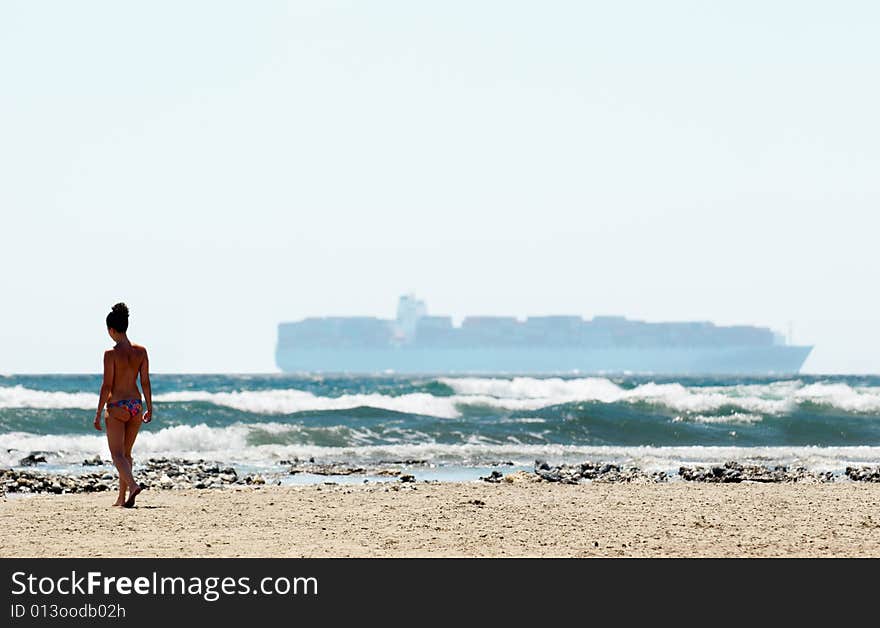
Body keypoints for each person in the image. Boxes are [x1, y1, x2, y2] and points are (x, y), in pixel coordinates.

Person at [93, 303, 153, 507]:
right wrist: (150, 407)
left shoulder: (110, 354)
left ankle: (133, 486)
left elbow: (107, 385)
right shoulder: (141, 351)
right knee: (126, 455)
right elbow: (145, 382)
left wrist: (98, 412)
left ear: (111, 330)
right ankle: (122, 498)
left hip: (117, 406)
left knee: (117, 455)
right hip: (136, 405)